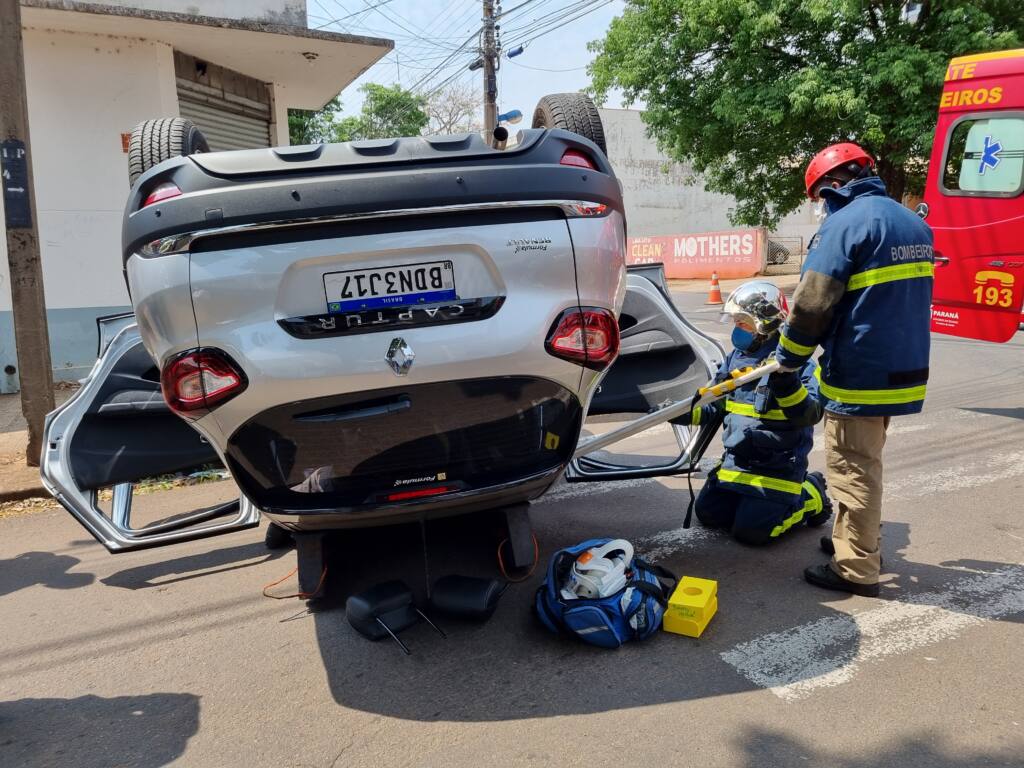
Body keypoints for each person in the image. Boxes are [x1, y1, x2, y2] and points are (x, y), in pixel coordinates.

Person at [774, 142, 933, 597]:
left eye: (823, 197)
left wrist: (788, 359)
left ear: (834, 185)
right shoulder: (912, 223)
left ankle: (857, 569)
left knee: (853, 470)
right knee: (866, 461)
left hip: (860, 373)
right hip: (902, 369)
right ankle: (853, 541)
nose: (824, 206)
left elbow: (811, 305)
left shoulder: (846, 224)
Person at [692, 280, 831, 546]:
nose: (737, 329)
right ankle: (748, 501)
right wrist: (685, 412)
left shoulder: (797, 365)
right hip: (738, 462)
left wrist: (785, 381)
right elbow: (716, 404)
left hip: (778, 466)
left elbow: (809, 415)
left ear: (764, 324)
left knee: (752, 533)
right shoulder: (736, 358)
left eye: (742, 322)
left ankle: (811, 493)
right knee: (709, 515)